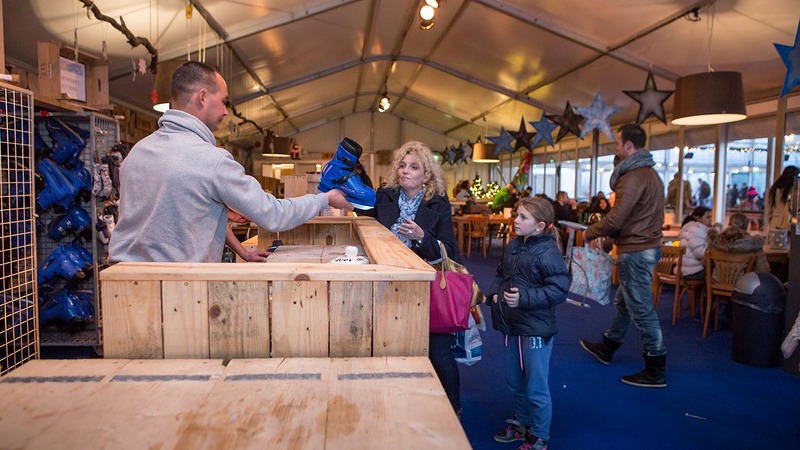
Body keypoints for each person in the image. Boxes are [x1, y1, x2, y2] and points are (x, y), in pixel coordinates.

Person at [109, 61, 352, 263]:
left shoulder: (137, 153)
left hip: (122, 286)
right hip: (176, 292)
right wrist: (325, 198)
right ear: (203, 97)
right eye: (223, 101)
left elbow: (198, 213)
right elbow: (273, 214)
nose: (226, 111)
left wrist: (242, 251)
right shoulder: (211, 161)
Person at [358, 141, 463, 415]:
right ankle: (399, 404)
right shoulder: (385, 196)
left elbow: (452, 252)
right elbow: (361, 213)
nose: (406, 171)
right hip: (387, 282)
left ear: (427, 175)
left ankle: (453, 410)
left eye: (414, 167)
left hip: (425, 286)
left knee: (439, 352)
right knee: (392, 346)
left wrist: (422, 238)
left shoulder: (438, 204)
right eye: (403, 165)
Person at [579, 124, 667, 388]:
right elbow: (630, 218)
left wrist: (590, 233)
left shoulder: (633, 177)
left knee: (640, 308)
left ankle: (655, 368)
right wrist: (608, 239)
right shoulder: (651, 175)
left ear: (629, 146)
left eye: (618, 143)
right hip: (644, 246)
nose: (616, 147)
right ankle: (608, 347)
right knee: (625, 303)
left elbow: (618, 217)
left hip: (636, 250)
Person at [488, 197, 569, 450]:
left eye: (523, 217)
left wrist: (524, 298)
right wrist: (494, 293)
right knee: (515, 381)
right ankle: (523, 422)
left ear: (540, 226)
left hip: (535, 329)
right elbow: (501, 274)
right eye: (517, 215)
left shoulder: (548, 252)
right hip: (512, 326)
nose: (516, 220)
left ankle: (540, 434)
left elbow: (559, 289)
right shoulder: (513, 245)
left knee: (536, 386)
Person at [707, 212, 770, 276]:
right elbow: (764, 270)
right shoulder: (755, 245)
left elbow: (705, 263)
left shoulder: (716, 242)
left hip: (717, 282)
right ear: (746, 226)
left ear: (729, 224)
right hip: (744, 284)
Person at [678, 206, 713, 281]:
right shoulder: (696, 231)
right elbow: (700, 253)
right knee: (718, 275)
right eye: (708, 217)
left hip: (685, 270)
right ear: (698, 218)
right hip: (693, 271)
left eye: (711, 217)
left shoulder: (691, 228)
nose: (711, 220)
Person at [765, 165, 799, 231]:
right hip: (788, 225)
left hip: (774, 223)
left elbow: (769, 210)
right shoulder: (793, 192)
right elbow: (793, 209)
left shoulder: (773, 190)